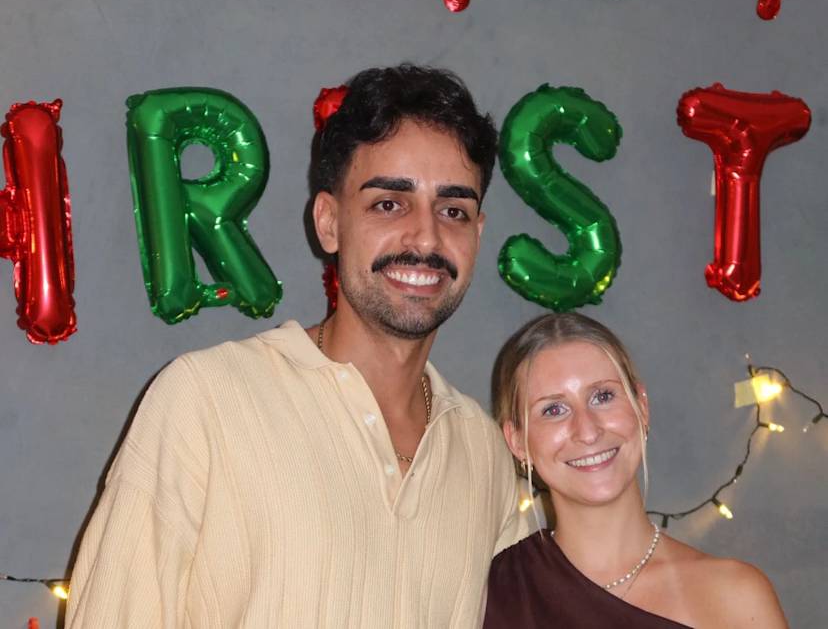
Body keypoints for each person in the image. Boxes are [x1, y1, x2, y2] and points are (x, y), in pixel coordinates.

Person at [66, 65, 524, 628]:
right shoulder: (205, 402)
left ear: (478, 234)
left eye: (453, 211)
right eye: (389, 203)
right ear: (329, 222)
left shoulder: (483, 452)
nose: (426, 237)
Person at [484, 312, 788, 628]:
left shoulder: (737, 597)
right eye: (553, 410)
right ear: (517, 441)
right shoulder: (492, 595)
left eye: (602, 396)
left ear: (641, 406)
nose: (587, 431)